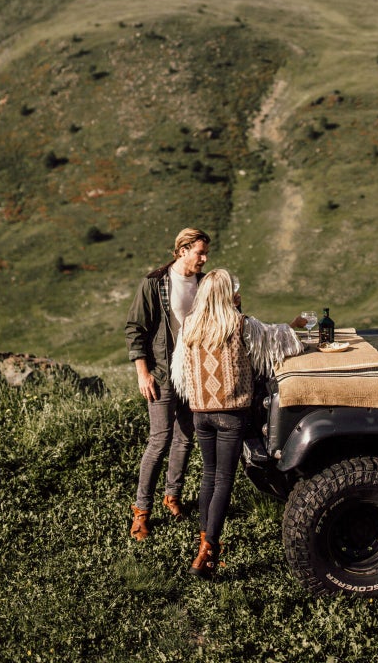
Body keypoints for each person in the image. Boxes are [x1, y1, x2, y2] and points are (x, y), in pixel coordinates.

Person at [171, 268, 305, 577]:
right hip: (231, 413)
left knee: (208, 475)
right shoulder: (240, 324)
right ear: (228, 293)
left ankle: (204, 539)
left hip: (201, 413)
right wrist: (294, 326)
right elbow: (277, 343)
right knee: (223, 480)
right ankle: (209, 550)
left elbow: (180, 372)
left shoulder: (189, 326)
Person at [125, 227, 210, 540]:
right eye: (200, 252)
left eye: (206, 253)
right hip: (160, 373)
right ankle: (141, 511)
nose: (204, 258)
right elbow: (135, 329)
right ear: (183, 250)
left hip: (192, 373)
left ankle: (172, 496)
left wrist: (235, 304)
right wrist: (142, 373)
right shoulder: (155, 282)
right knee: (159, 440)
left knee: (186, 437)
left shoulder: (205, 283)